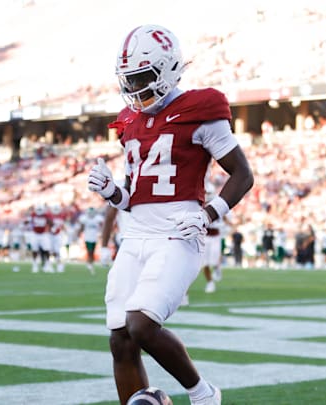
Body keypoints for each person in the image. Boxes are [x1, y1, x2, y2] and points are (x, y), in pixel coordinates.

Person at [87, 24, 253, 405]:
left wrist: (210, 213)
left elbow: (243, 174)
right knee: (120, 339)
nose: (135, 89)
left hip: (179, 231)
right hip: (135, 234)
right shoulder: (127, 121)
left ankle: (203, 394)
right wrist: (112, 191)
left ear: (169, 69)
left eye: (143, 78)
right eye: (129, 81)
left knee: (142, 325)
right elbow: (135, 196)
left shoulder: (201, 109)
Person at [79, 207, 105, 275]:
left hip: (94, 237)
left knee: (92, 252)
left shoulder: (97, 218)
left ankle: (90, 263)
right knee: (89, 251)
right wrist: (78, 234)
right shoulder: (84, 218)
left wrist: (101, 232)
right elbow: (81, 227)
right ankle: (89, 264)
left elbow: (102, 226)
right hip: (87, 237)